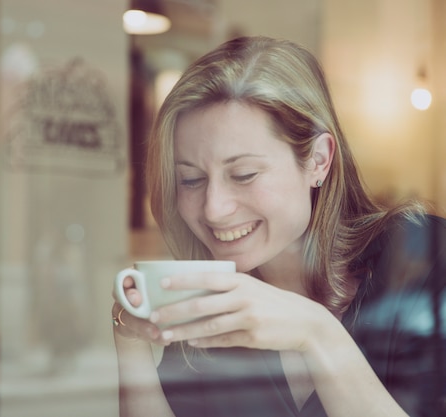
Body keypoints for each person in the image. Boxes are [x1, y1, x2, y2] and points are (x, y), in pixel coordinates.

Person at [111, 36, 446, 417]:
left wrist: (318, 334)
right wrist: (129, 336)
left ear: (318, 160)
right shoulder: (210, 307)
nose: (213, 209)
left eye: (244, 174)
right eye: (191, 179)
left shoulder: (427, 258)